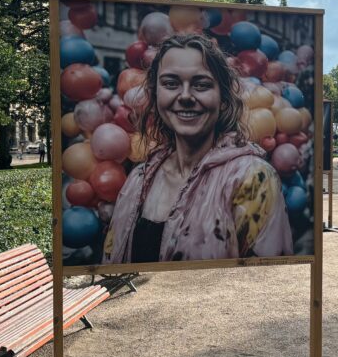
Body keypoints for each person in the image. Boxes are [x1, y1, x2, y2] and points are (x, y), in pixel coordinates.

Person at [103, 34, 292, 264]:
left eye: (201, 85)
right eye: (171, 84)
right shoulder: (138, 179)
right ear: (156, 95)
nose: (185, 96)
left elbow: (270, 282)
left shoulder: (252, 180)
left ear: (223, 98)